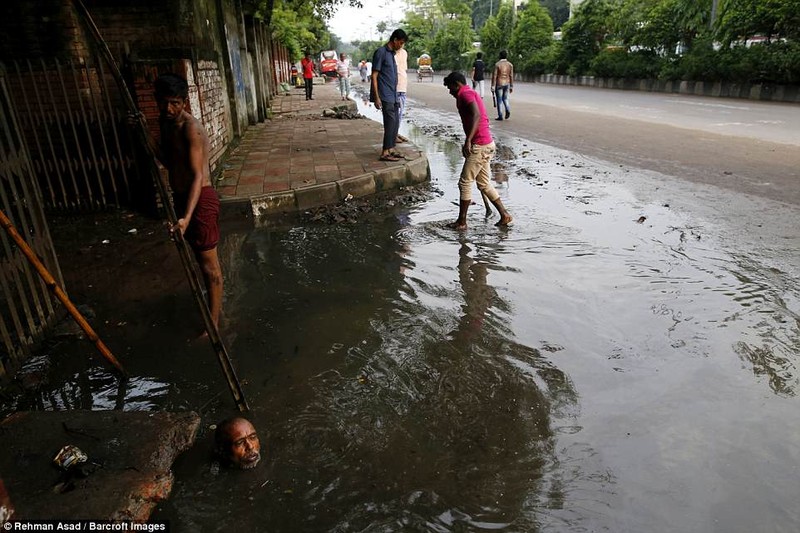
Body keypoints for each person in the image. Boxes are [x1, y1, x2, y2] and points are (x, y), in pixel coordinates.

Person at [152, 73, 224, 329]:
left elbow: (197, 177)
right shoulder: (166, 122)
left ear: (184, 102)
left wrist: (186, 217)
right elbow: (171, 163)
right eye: (164, 103)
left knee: (210, 266)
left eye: (175, 103)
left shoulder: (190, 128)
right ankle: (213, 309)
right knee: (199, 261)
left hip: (201, 199)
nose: (169, 109)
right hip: (182, 198)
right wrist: (146, 140)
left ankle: (213, 326)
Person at [442, 71, 513, 230]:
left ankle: (461, 222)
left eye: (450, 88)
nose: (450, 92)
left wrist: (468, 140)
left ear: (456, 84)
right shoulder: (469, 92)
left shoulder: (465, 94)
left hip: (480, 145)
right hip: (487, 143)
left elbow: (476, 115)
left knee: (465, 182)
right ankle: (505, 215)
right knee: (484, 184)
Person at [370, 28, 407, 162]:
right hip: (385, 95)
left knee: (395, 122)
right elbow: (374, 75)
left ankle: (391, 148)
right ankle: (385, 152)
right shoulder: (381, 52)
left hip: (393, 94)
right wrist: (376, 97)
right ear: (395, 40)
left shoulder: (392, 54)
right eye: (401, 43)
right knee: (390, 122)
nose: (401, 46)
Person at [491, 50, 514, 121]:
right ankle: (508, 109)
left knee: (499, 100)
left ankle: (500, 115)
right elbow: (511, 76)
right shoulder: (510, 65)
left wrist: (492, 85)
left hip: (499, 83)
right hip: (507, 83)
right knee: (505, 98)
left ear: (500, 56)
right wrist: (511, 86)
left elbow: (494, 76)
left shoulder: (497, 64)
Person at [395, 44, 409, 144]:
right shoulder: (390, 53)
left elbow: (403, 69)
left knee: (399, 115)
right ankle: (394, 135)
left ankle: (395, 133)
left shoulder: (404, 53)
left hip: (402, 88)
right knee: (394, 114)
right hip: (394, 88)